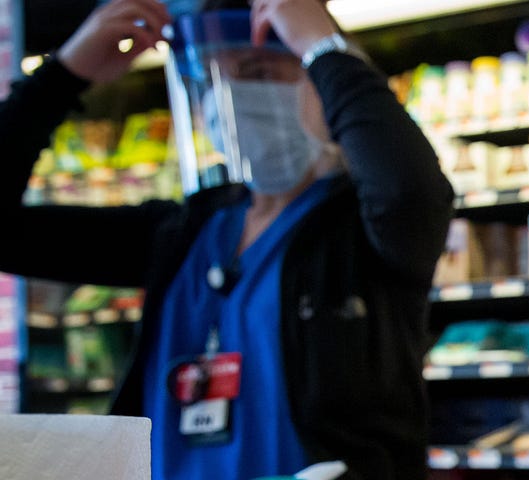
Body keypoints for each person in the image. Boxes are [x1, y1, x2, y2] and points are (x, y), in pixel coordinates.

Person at [0, 0, 453, 478]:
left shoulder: (361, 230)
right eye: (219, 81)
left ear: (322, 86)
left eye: (258, 70)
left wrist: (322, 43)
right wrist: (63, 75)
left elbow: (409, 189)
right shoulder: (181, 233)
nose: (234, 97)